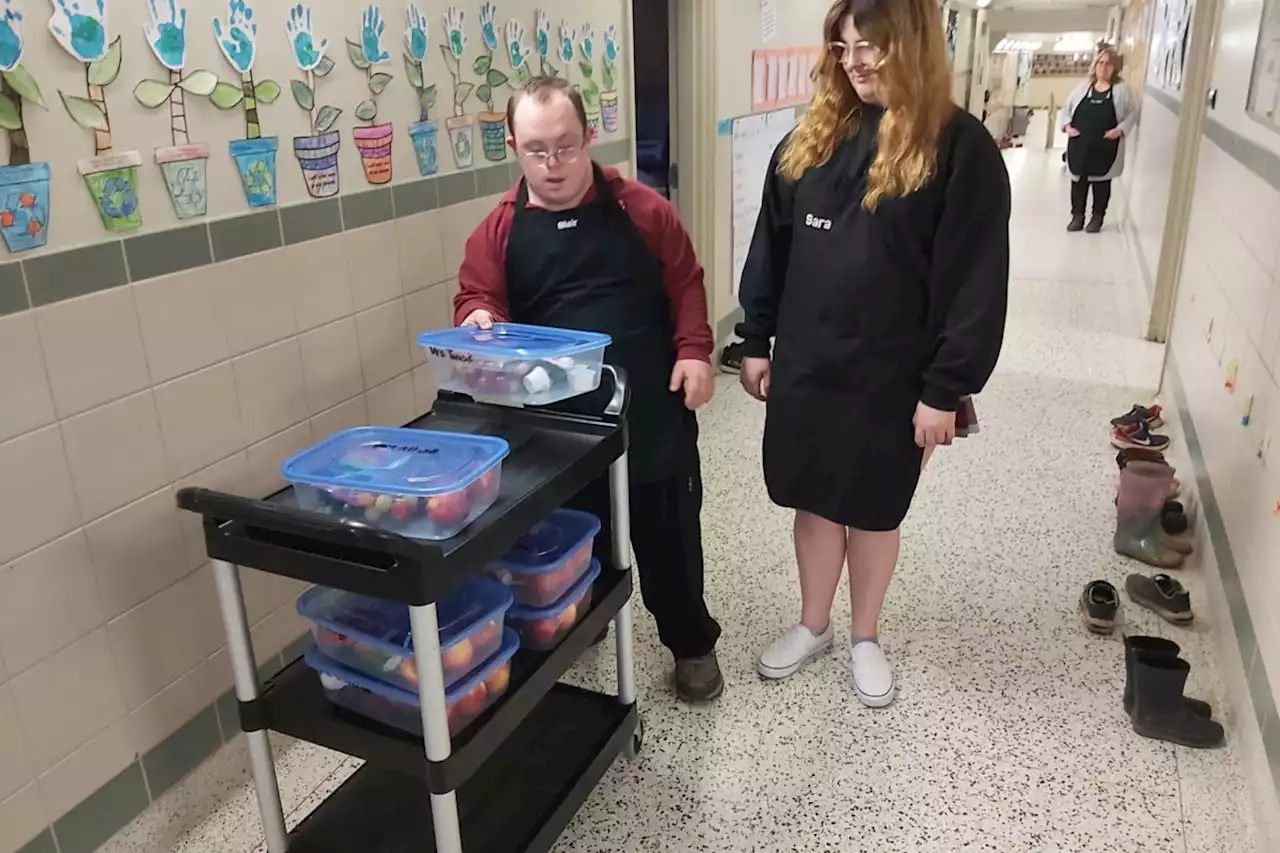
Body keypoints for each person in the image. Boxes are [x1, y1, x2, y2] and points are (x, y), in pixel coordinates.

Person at [736, 0, 1010, 708]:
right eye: (844, 44)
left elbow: (976, 281)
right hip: (809, 362)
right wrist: (755, 339)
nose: (854, 60)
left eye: (873, 46)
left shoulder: (958, 147)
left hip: (898, 376)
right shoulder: (810, 140)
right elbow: (772, 246)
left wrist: (946, 388)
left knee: (875, 508)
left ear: (912, 46)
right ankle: (813, 623)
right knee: (815, 500)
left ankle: (864, 634)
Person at [455, 76, 724, 703]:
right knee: (580, 536)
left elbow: (685, 282)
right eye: (536, 150)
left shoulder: (642, 208)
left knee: (669, 541)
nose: (553, 165)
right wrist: (478, 319)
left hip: (652, 410)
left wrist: (694, 352)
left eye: (566, 147)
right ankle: (585, 621)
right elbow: (477, 297)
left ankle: (691, 645)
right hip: (557, 428)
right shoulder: (497, 230)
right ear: (515, 148)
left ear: (589, 139)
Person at [1061, 46, 1137, 233]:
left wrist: (1119, 130)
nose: (1103, 68)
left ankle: (1097, 218)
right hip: (1080, 143)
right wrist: (1067, 127)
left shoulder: (1121, 91)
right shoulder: (1082, 89)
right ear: (1095, 66)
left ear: (1115, 68)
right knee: (1078, 181)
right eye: (1100, 63)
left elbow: (1131, 114)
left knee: (1101, 182)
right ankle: (1077, 217)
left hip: (1106, 145)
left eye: (1108, 65)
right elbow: (1066, 111)